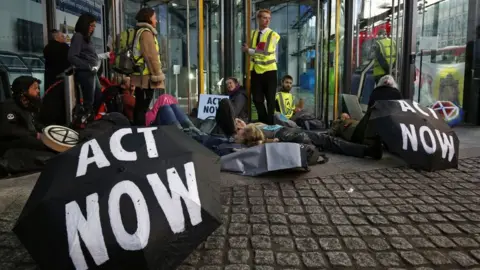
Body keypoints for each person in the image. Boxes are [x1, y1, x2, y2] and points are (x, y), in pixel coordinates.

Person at [235, 120, 382, 160]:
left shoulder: (252, 126)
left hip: (288, 132)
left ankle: (367, 151)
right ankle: (367, 150)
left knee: (327, 140)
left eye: (239, 122)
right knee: (326, 140)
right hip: (286, 134)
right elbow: (258, 143)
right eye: (237, 126)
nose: (239, 124)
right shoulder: (250, 134)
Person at [242, 9, 280, 125]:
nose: (267, 20)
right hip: (256, 71)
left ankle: (271, 124)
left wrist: (249, 50)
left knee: (270, 100)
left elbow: (265, 52)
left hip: (269, 71)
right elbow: (257, 51)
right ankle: (263, 122)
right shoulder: (254, 34)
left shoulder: (273, 35)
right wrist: (251, 51)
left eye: (269, 18)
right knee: (257, 99)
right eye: (264, 18)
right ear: (258, 19)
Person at [131, 7, 166, 126]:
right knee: (142, 107)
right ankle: (140, 132)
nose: (156, 21)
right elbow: (151, 56)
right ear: (149, 18)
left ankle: (139, 131)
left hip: (142, 75)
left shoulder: (141, 31)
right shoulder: (146, 33)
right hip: (145, 78)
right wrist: (158, 75)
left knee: (141, 106)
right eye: (155, 18)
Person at [68, 13, 102, 116]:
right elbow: (72, 56)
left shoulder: (86, 38)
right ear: (84, 24)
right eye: (91, 25)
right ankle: (87, 121)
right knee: (89, 101)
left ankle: (91, 118)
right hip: (86, 73)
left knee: (97, 97)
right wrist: (87, 66)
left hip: (91, 72)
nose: (93, 28)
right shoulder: (78, 36)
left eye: (94, 26)